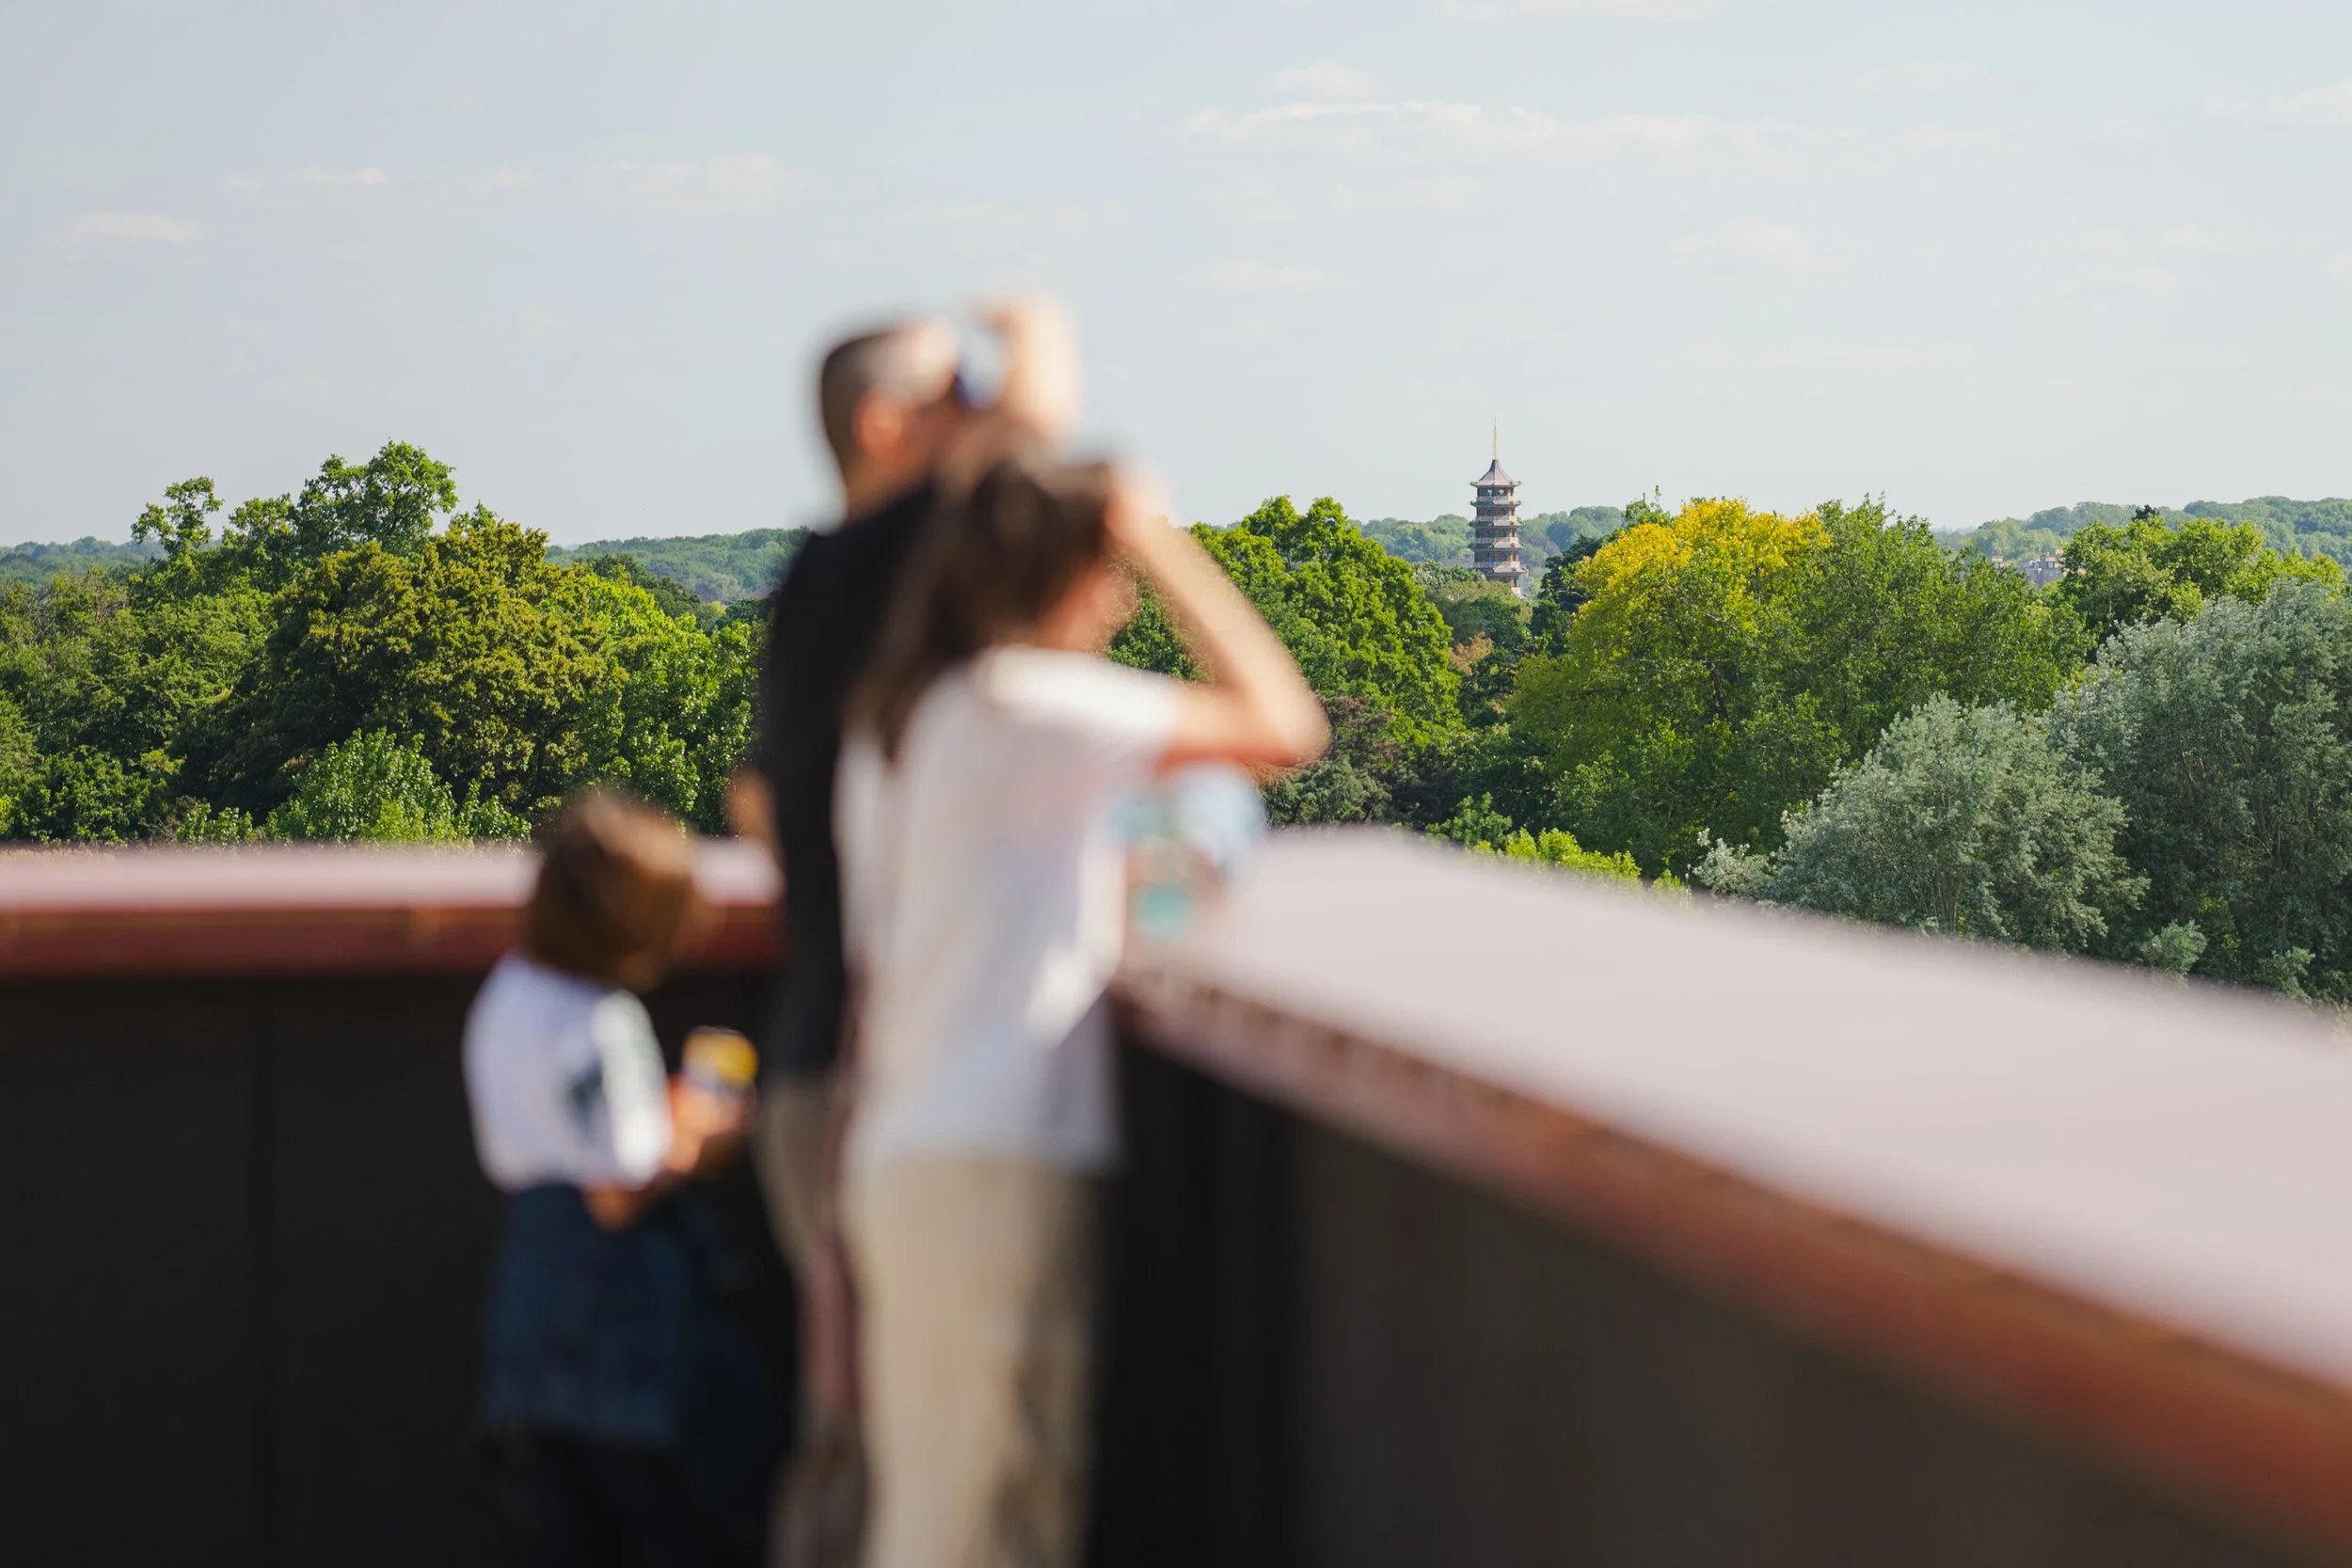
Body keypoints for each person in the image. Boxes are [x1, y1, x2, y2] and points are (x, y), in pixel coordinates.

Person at [835, 453, 1327, 1568]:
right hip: (988, 1156)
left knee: (951, 1506)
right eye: (1104, 572)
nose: (1116, 600)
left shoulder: (909, 712)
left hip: (913, 1153)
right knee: (986, 1516)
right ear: (1050, 572)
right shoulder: (1023, 702)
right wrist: (1156, 535)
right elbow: (1284, 726)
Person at [734, 301, 1079, 1568]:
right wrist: (1032, 322)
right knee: (885, 1452)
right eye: (951, 394)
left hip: (828, 1068)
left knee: (865, 1439)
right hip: (858, 1083)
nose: (978, 410)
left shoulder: (823, 583)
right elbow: (1036, 434)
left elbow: (756, 799)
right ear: (887, 426)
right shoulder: (870, 562)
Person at [465, 792, 763, 1567]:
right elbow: (619, 1184)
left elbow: (567, 1134)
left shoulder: (507, 993)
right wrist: (703, 1131)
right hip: (615, 1321)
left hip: (530, 1290)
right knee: (666, 1524)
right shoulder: (603, 1021)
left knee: (564, 1529)